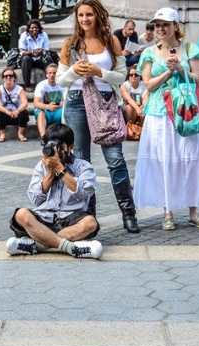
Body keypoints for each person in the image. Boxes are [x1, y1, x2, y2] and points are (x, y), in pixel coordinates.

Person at [56, 0, 140, 233]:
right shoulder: (70, 44)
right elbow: (61, 81)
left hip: (105, 103)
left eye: (89, 14)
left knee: (115, 160)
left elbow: (122, 77)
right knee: (82, 161)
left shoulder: (110, 41)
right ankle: (88, 215)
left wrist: (98, 71)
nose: (85, 19)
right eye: (81, 15)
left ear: (98, 16)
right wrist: (74, 71)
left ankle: (128, 213)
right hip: (76, 102)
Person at [135, 7, 199, 231]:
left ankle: (194, 212)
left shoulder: (190, 48)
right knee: (165, 161)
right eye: (157, 25)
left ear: (175, 26)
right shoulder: (149, 53)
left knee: (190, 159)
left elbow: (198, 79)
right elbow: (148, 84)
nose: (160, 29)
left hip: (186, 112)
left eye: (165, 25)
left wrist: (180, 68)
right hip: (159, 111)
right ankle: (167, 212)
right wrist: (169, 73)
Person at [6, 123, 102, 259]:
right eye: (51, 146)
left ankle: (37, 244)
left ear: (71, 147)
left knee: (90, 223)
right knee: (21, 214)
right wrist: (51, 172)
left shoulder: (83, 167)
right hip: (44, 218)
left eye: (60, 147)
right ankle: (70, 247)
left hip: (71, 219)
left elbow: (82, 194)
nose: (55, 151)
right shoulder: (42, 166)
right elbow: (35, 199)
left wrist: (60, 170)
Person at [0, 67, 30, 142]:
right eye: (6, 76)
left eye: (10, 75)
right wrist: (7, 112)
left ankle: (20, 133)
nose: (8, 77)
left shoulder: (19, 89)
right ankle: (2, 134)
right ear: (3, 79)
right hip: (5, 115)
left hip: (16, 114)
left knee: (24, 113)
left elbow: (25, 103)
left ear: (14, 78)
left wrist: (17, 111)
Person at [18, 19, 51, 92]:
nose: (34, 29)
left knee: (48, 59)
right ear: (29, 29)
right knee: (26, 59)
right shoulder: (24, 35)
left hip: (39, 58)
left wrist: (42, 52)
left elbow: (46, 50)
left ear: (39, 28)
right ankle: (27, 85)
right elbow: (21, 52)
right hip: (29, 59)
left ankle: (49, 84)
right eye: (32, 28)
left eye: (36, 27)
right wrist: (33, 51)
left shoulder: (44, 35)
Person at [34, 63, 65, 137]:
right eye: (50, 73)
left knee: (67, 110)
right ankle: (43, 136)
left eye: (54, 73)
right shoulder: (41, 85)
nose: (52, 75)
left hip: (59, 111)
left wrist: (63, 104)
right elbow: (36, 103)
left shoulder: (62, 85)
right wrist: (48, 106)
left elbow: (67, 100)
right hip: (46, 111)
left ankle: (65, 135)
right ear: (46, 75)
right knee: (40, 111)